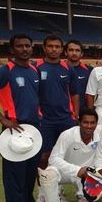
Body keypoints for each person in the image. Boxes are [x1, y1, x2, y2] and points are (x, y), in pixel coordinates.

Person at [0, 34, 44, 202]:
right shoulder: (4, 71)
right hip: (14, 131)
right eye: (19, 46)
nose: (24, 49)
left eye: (27, 45)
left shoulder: (34, 70)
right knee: (15, 179)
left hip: (33, 131)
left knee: (29, 175)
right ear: (12, 49)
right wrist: (3, 119)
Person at [37, 108, 100, 202]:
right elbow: (53, 159)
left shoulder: (100, 133)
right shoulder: (67, 135)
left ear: (97, 124)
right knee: (49, 173)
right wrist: (76, 170)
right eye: (85, 122)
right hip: (66, 172)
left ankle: (82, 196)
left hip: (86, 173)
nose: (89, 126)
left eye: (92, 123)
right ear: (79, 122)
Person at [36, 34, 80, 171]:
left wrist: (76, 115)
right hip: (45, 120)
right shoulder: (36, 67)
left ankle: (72, 186)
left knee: (70, 154)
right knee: (44, 156)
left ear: (62, 50)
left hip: (66, 119)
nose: (54, 49)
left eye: (57, 47)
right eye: (50, 46)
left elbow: (74, 93)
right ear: (44, 48)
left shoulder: (68, 68)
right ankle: (44, 190)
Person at [65, 39, 93, 110]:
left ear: (82, 53)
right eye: (71, 50)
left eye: (77, 50)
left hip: (83, 112)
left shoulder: (89, 70)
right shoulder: (59, 69)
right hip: (63, 112)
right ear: (65, 52)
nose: (74, 53)